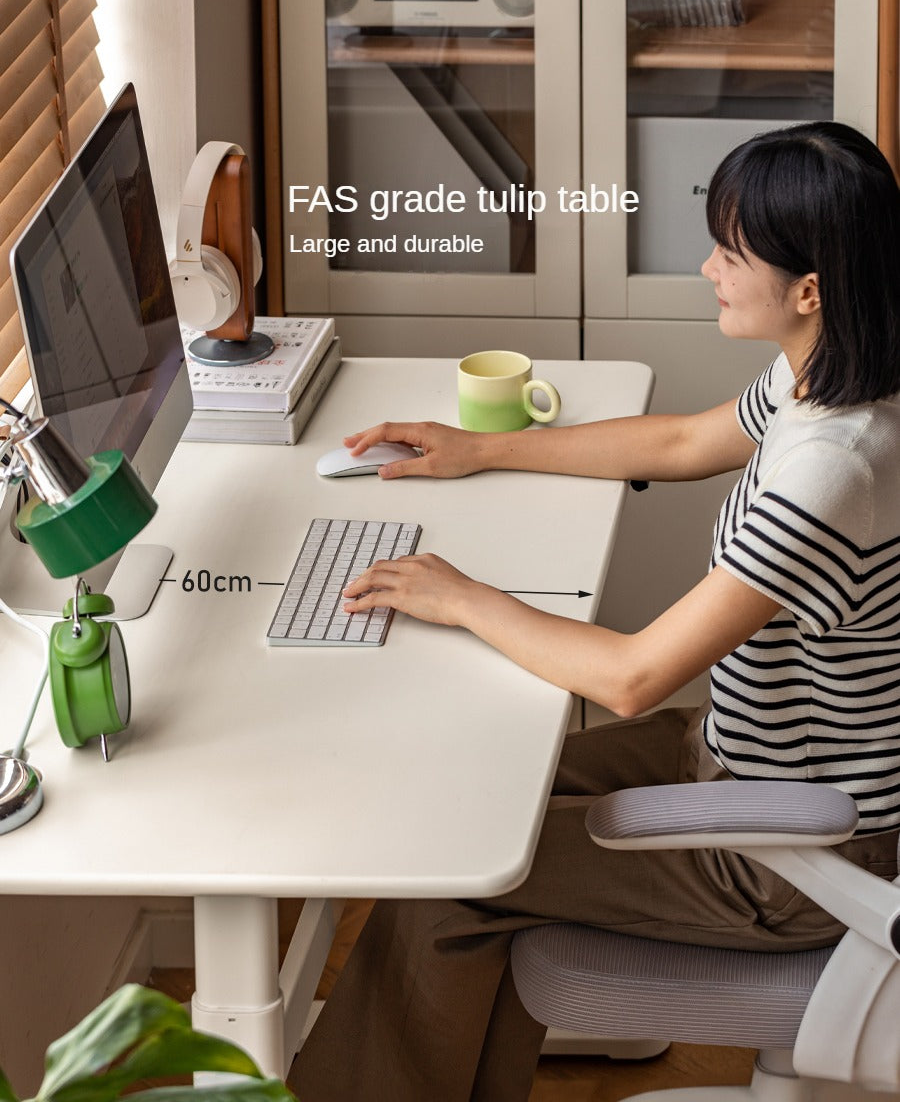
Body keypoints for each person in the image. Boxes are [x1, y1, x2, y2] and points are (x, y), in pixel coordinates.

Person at [289, 121, 900, 1102]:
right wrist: (478, 448)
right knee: (473, 789)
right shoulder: (821, 376)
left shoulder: (834, 468)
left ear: (809, 288)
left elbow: (630, 678)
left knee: (453, 863)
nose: (706, 268)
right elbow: (677, 440)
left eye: (728, 253)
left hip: (793, 851)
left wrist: (464, 598)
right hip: (737, 758)